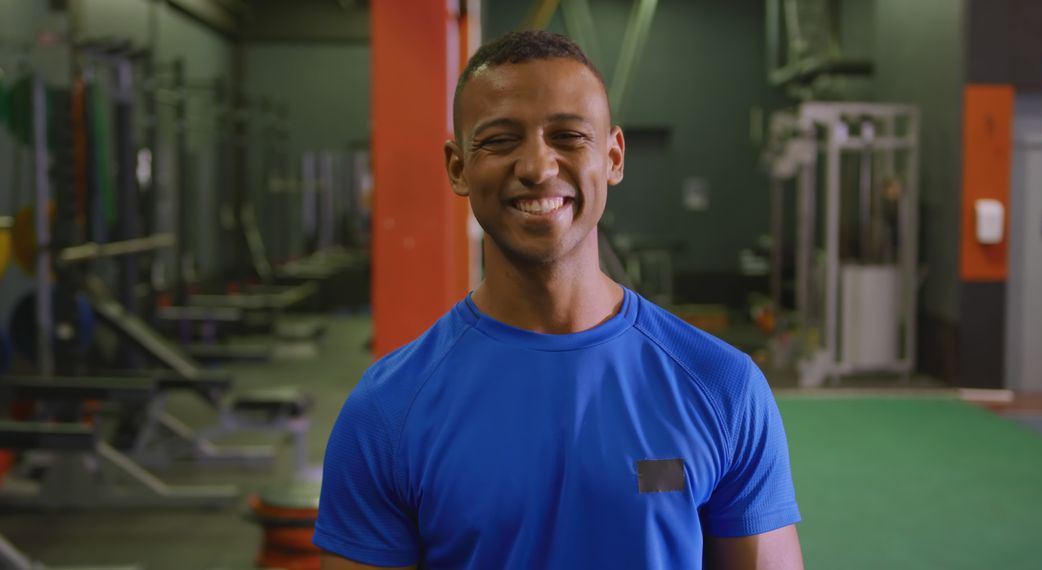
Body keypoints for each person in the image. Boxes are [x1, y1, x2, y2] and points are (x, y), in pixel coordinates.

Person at [316, 30, 803, 570]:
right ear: (457, 167)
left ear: (614, 156)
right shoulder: (387, 412)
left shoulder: (723, 388)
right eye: (500, 140)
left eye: (568, 136)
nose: (537, 167)